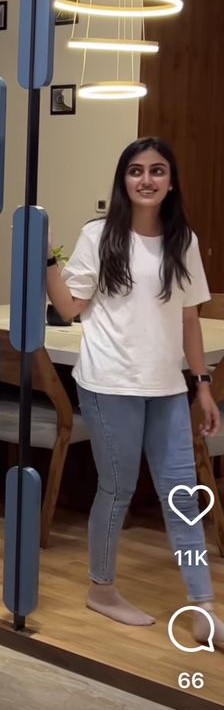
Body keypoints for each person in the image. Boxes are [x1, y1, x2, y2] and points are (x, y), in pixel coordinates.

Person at [46, 136, 223, 643]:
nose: (147, 180)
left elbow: (189, 319)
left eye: (158, 171)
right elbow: (70, 308)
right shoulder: (100, 235)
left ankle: (202, 605)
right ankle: (101, 589)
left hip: (167, 388)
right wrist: (45, 258)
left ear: (171, 181)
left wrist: (203, 386)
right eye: (136, 171)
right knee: (118, 488)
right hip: (108, 384)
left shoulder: (181, 240)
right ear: (124, 179)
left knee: (183, 497)